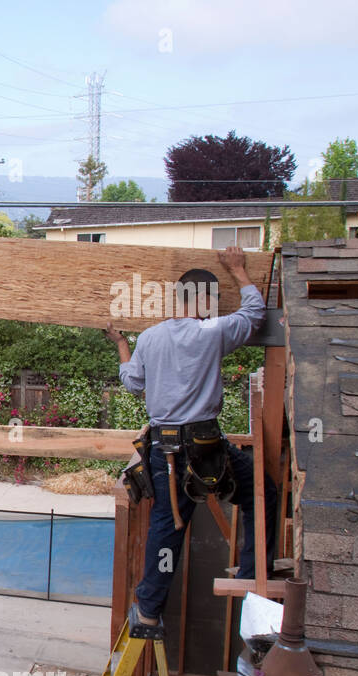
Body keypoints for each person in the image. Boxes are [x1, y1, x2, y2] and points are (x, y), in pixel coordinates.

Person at [105, 246, 276, 637]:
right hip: (207, 450)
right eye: (212, 300)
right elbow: (254, 315)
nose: (214, 308)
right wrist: (239, 271)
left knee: (168, 526)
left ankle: (148, 612)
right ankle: (252, 575)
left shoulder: (149, 338)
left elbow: (132, 382)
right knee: (261, 493)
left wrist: (120, 343)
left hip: (164, 453)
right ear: (200, 300)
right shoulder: (212, 333)